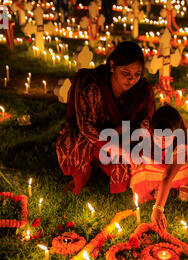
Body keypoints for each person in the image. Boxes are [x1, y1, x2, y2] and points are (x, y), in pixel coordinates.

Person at [56, 41, 156, 195]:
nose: (132, 79)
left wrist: (126, 139)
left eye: (137, 74)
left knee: (151, 148)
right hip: (92, 139)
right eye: (126, 73)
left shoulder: (142, 90)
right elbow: (86, 127)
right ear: (112, 66)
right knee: (77, 140)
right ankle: (80, 176)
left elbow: (146, 122)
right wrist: (117, 144)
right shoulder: (92, 85)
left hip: (126, 137)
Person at [129, 105, 188, 230]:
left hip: (185, 164)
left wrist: (158, 209)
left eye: (167, 138)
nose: (162, 141)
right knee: (140, 165)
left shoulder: (183, 142)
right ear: (152, 130)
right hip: (163, 161)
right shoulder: (147, 129)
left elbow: (168, 176)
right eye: (158, 137)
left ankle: (183, 184)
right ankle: (167, 187)